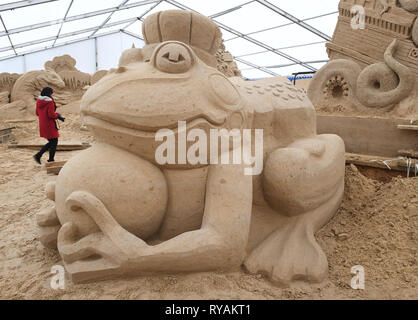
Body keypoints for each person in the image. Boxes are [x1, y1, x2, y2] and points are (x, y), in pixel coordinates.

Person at [33, 87, 65, 165]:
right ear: (48, 93)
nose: (53, 94)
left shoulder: (39, 100)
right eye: (52, 92)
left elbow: (37, 113)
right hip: (49, 124)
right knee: (54, 141)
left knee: (52, 141)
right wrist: (59, 116)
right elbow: (51, 115)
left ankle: (49, 158)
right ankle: (40, 156)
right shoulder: (50, 102)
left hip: (43, 123)